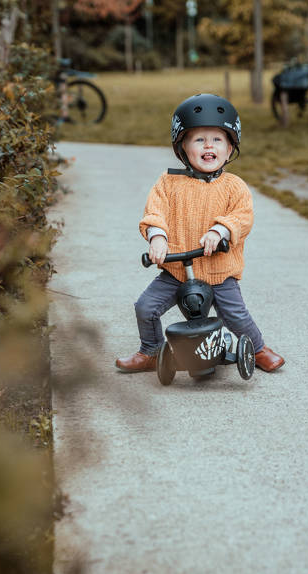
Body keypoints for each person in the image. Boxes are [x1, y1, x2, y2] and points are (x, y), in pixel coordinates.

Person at [116, 93, 285, 374]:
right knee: (145, 307)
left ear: (230, 148)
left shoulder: (234, 186)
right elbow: (154, 212)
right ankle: (150, 351)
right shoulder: (168, 183)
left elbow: (242, 217)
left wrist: (221, 230)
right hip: (176, 271)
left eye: (218, 139)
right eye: (199, 140)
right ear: (182, 147)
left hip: (219, 272)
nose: (209, 145)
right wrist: (157, 236)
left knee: (235, 315)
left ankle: (257, 348)